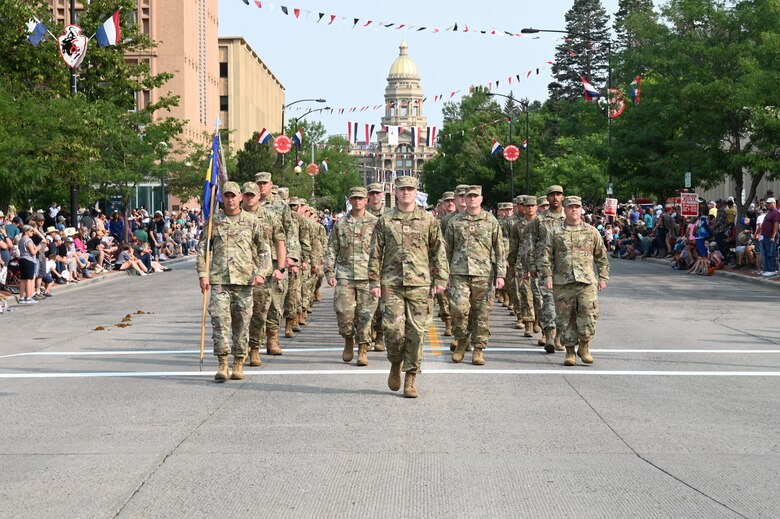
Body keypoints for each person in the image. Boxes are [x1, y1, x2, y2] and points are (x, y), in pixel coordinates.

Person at [369, 176, 449, 398]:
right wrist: (374, 281)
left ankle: (411, 376)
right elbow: (375, 253)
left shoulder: (428, 220)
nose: (406, 193)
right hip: (391, 283)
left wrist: (442, 279)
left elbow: (438, 251)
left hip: (419, 284)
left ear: (416, 192)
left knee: (417, 332)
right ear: (396, 192)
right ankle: (395, 362)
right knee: (393, 330)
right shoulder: (385, 221)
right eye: (402, 189)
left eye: (410, 189)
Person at [198, 181, 272, 382]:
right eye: (226, 196)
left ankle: (239, 362)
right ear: (222, 198)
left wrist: (262, 273)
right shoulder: (214, 222)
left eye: (234, 196)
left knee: (241, 324)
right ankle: (222, 363)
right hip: (220, 280)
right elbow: (203, 249)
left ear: (240, 197)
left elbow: (265, 250)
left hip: (244, 282)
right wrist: (203, 274)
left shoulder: (252, 221)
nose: (230, 200)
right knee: (220, 322)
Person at [541, 196, 610, 366]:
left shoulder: (591, 231)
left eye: (577, 207)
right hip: (563, 283)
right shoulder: (555, 232)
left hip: (586, 282)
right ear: (565, 209)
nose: (574, 210)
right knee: (565, 319)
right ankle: (570, 351)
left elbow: (601, 257)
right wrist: (547, 276)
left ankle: (585, 347)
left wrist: (603, 277)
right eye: (570, 207)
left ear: (581, 210)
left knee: (588, 315)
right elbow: (546, 257)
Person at [444, 185, 505, 365]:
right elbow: (447, 249)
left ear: (481, 199)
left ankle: (478, 349)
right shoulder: (454, 222)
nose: (471, 199)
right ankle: (462, 340)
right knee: (459, 310)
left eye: (475, 196)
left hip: (484, 275)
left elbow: (499, 249)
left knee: (481, 314)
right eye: (468, 196)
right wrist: (443, 273)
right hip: (459, 273)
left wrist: (500, 274)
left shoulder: (491, 221)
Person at [326, 186, 379, 366]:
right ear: (349, 200)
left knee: (365, 315)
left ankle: (363, 348)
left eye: (360, 198)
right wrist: (329, 271)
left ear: (366, 201)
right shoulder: (341, 223)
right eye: (354, 198)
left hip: (368, 276)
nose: (357, 201)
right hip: (345, 275)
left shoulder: (376, 223)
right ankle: (349, 339)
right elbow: (332, 248)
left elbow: (382, 250)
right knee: (344, 312)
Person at [241, 181, 287, 367]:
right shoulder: (235, 216)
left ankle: (255, 348)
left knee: (260, 314)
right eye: (247, 195)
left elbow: (280, 242)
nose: (250, 198)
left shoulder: (270, 216)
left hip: (264, 272)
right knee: (241, 314)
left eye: (253, 195)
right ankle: (242, 349)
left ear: (259, 197)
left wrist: (281, 267)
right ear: (241, 196)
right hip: (240, 273)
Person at [256, 172, 300, 355]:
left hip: (276, 259)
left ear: (271, 184)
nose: (262, 186)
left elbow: (291, 231)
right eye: (259, 183)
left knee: (275, 301)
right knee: (256, 302)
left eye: (265, 183)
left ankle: (272, 339)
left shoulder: (281, 206)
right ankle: (255, 342)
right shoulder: (249, 203)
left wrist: (292, 257)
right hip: (255, 259)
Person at [526, 185, 565, 353]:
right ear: (547, 198)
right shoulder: (539, 220)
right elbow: (530, 243)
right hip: (545, 267)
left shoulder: (569, 217)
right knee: (547, 301)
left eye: (558, 194)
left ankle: (558, 336)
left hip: (565, 268)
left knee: (563, 303)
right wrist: (532, 265)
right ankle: (549, 334)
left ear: (563, 197)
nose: (555, 197)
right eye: (552, 195)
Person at [16, 225, 42, 304]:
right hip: (28, 260)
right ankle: (28, 297)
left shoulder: (21, 240)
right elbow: (33, 252)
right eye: (31, 231)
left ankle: (21, 297)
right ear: (26, 231)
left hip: (22, 259)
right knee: (29, 279)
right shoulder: (28, 240)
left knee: (23, 279)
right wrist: (37, 248)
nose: (33, 232)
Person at [758, 197, 779, 277]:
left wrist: (773, 236)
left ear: (774, 203)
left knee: (771, 253)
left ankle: (771, 270)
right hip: (765, 236)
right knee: (766, 253)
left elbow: (776, 225)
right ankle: (767, 269)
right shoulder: (769, 212)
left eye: (769, 203)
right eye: (767, 203)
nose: (768, 204)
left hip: (770, 236)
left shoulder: (775, 212)